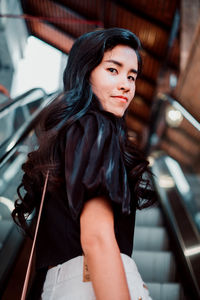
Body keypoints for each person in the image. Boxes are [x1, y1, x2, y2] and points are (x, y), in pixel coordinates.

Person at [12, 28, 155, 300]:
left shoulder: (68, 137)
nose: (126, 84)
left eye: (132, 76)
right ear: (85, 73)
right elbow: (97, 238)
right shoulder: (95, 127)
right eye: (113, 70)